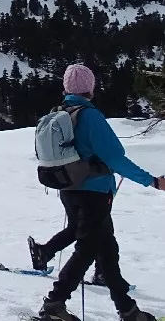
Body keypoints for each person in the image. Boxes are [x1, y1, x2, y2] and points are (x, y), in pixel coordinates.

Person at [32, 64, 162, 321]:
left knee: (107, 250)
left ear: (66, 88)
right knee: (88, 249)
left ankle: (128, 309)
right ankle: (54, 305)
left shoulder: (58, 114)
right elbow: (115, 158)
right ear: (90, 88)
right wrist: (152, 182)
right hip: (95, 193)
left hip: (68, 189)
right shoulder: (91, 117)